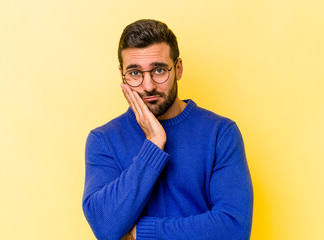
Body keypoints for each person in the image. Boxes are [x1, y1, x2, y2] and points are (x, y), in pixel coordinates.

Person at [82, 19, 253, 240]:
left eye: (159, 70)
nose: (148, 85)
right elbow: (105, 227)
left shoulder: (221, 133)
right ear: (122, 74)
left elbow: (234, 229)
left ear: (178, 68)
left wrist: (142, 232)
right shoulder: (103, 140)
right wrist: (153, 143)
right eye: (135, 73)